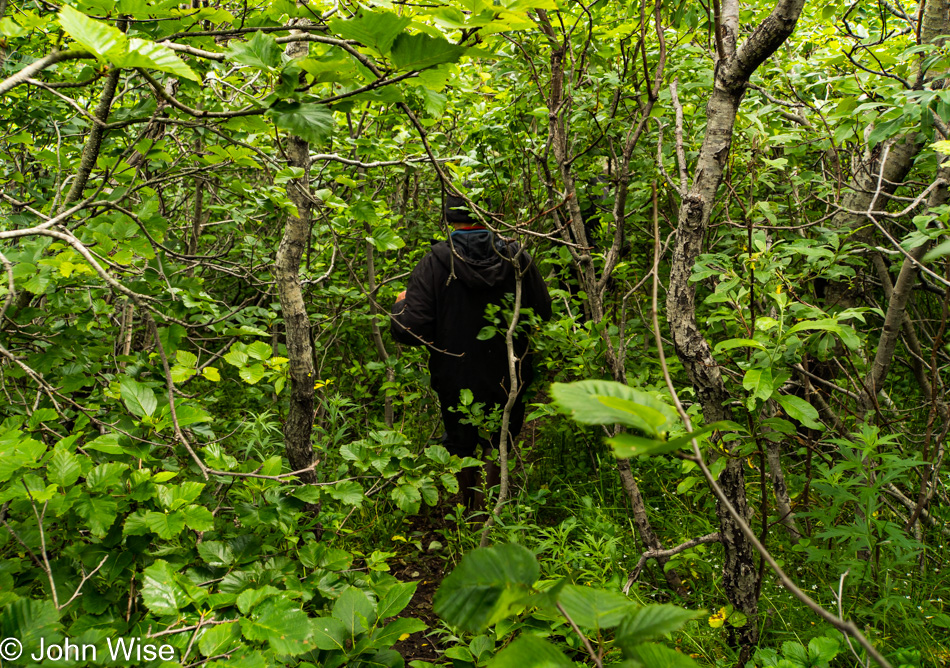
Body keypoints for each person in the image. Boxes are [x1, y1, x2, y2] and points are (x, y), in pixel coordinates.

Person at [390, 191, 552, 509]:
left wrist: (400, 304)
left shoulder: (435, 262)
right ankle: (492, 510)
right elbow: (543, 311)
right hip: (510, 366)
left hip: (455, 372)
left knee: (461, 441)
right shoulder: (516, 257)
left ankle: (469, 508)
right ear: (485, 216)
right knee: (501, 437)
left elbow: (409, 330)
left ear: (448, 220)